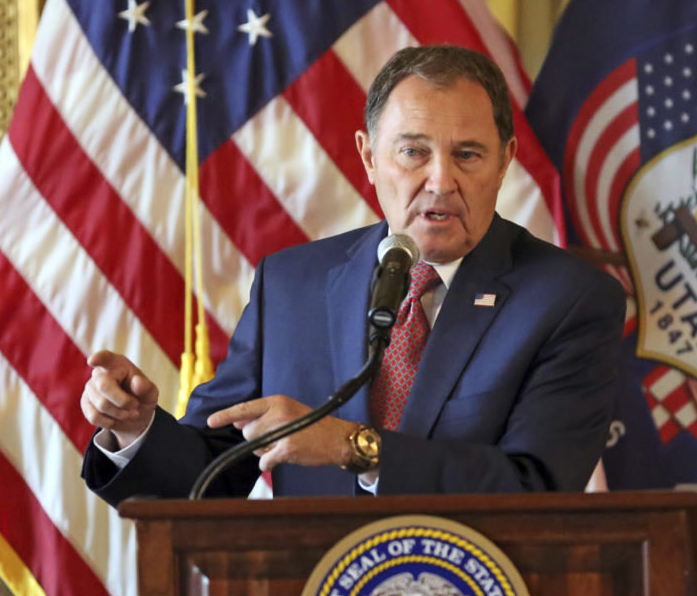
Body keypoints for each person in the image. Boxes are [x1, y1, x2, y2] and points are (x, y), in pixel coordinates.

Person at [80, 45, 625, 505]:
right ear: (368, 157)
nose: (440, 180)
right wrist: (134, 429)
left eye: (468, 154)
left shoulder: (569, 299)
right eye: (413, 152)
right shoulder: (292, 286)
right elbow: (208, 475)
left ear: (504, 161)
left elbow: (539, 490)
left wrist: (354, 447)